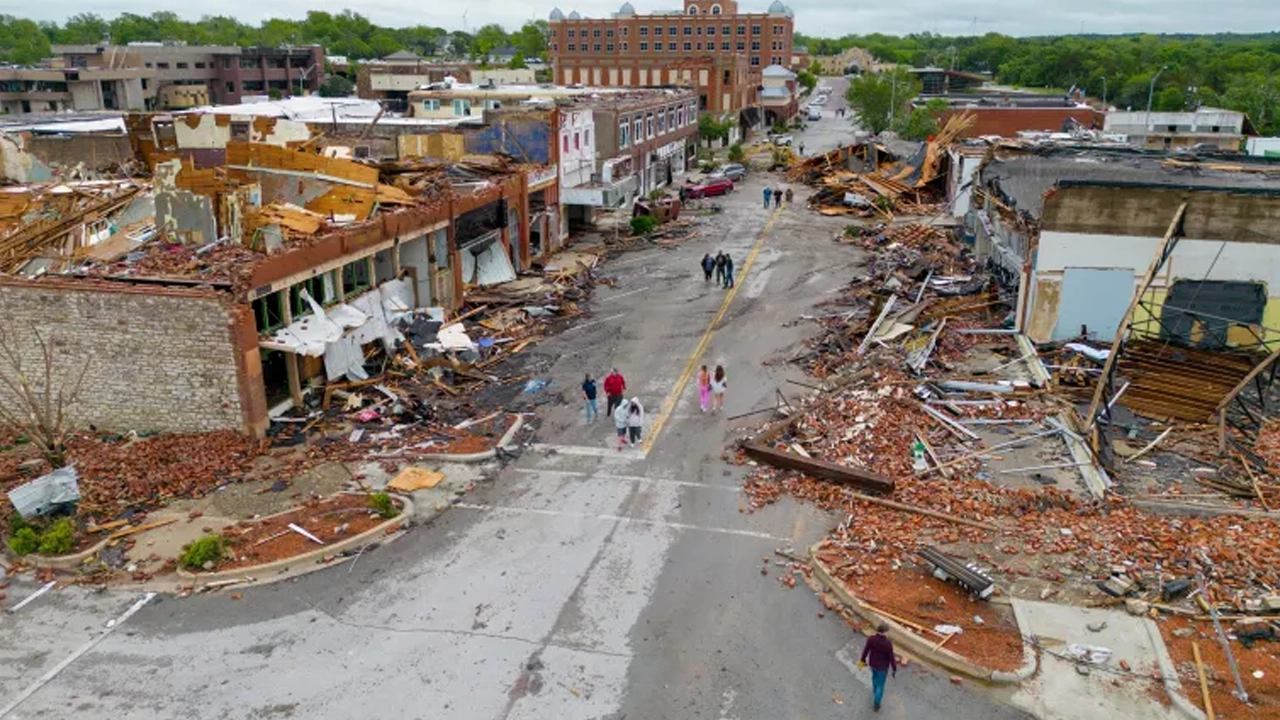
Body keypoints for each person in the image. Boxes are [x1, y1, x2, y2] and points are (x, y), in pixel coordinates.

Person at [859, 623, 897, 711]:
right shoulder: (888, 643)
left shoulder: (871, 639)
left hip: (873, 663)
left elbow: (866, 651)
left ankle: (875, 690)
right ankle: (876, 703)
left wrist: (862, 660)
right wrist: (894, 669)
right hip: (883, 667)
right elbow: (891, 657)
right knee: (881, 685)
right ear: (885, 632)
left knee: (874, 677)